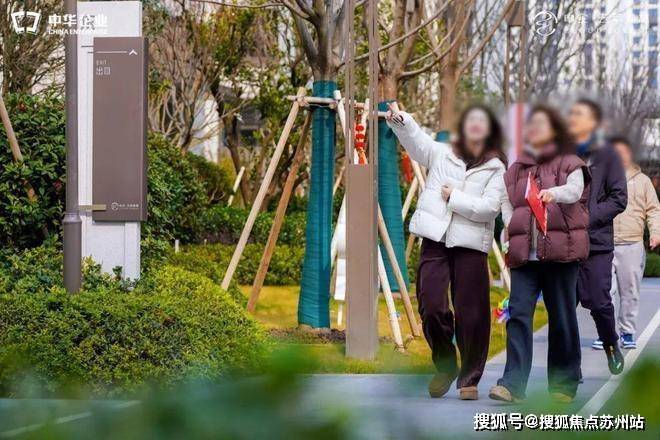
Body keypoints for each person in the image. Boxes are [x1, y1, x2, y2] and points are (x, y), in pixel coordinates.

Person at [386, 102, 507, 400]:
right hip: (435, 239)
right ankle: (445, 364)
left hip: (470, 246)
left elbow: (490, 208)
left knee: (472, 314)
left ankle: (469, 378)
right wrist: (402, 121)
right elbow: (419, 143)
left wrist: (455, 198)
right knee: (430, 303)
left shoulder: (496, 167)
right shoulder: (443, 152)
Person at [488, 105, 589, 404]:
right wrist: (511, 226)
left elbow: (575, 191)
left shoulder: (570, 162)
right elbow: (506, 202)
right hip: (526, 258)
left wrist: (554, 193)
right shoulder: (517, 169)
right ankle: (511, 384)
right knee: (518, 315)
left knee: (562, 318)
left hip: (561, 254)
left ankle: (563, 384)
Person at [568, 98, 627, 374]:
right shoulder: (562, 154)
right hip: (565, 243)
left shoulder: (608, 155)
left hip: (596, 243)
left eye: (579, 114)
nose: (572, 118)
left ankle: (611, 343)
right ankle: (569, 371)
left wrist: (587, 217)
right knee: (563, 307)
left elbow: (619, 198)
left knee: (599, 302)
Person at [610, 136, 660, 349]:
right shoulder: (603, 178)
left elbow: (654, 209)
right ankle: (607, 333)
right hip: (605, 244)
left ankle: (627, 331)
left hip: (632, 244)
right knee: (604, 292)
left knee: (630, 291)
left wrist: (656, 232)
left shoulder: (643, 181)